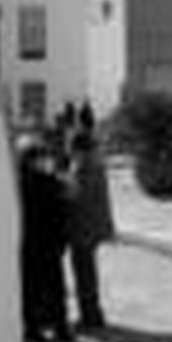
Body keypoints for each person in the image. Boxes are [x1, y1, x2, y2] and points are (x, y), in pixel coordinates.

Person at [16, 132, 72, 342]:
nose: (43, 160)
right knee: (50, 286)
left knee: (35, 287)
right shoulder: (48, 182)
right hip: (45, 242)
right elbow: (62, 210)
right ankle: (55, 326)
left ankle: (39, 326)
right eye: (39, 156)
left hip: (33, 243)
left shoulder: (21, 183)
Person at [62, 124, 115, 330]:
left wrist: (61, 187)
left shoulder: (82, 167)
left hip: (82, 227)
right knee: (88, 271)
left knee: (84, 273)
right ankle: (93, 312)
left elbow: (75, 195)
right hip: (92, 226)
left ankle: (90, 315)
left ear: (77, 148)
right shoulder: (95, 163)